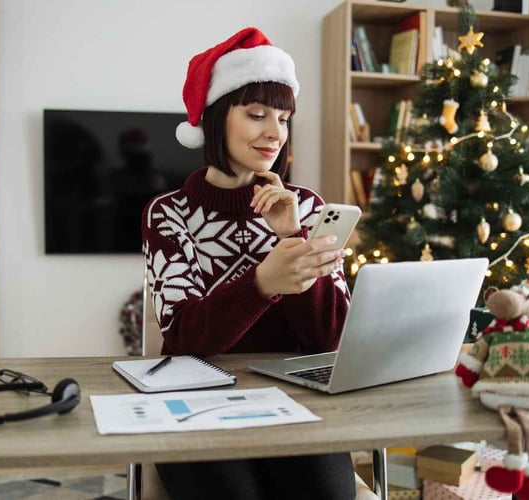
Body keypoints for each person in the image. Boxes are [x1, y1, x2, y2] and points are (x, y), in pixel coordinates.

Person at [141, 27, 355, 500]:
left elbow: (332, 339)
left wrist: (293, 237)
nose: (275, 133)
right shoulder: (168, 214)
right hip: (197, 410)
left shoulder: (306, 207)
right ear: (216, 119)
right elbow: (181, 340)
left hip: (295, 406)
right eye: (257, 114)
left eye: (283, 118)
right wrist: (259, 284)